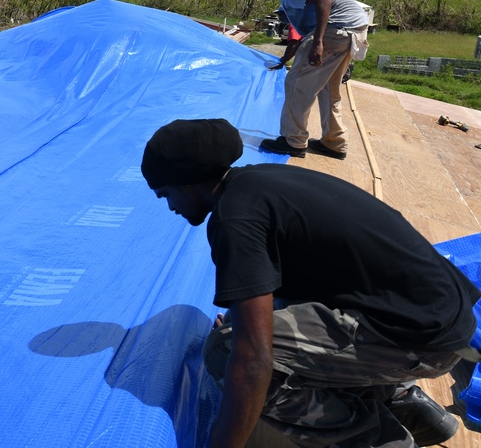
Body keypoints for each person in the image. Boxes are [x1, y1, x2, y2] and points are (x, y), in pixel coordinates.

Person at [140, 118, 481, 448]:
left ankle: (379, 439)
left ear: (188, 182)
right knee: (255, 325)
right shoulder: (263, 181)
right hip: (443, 315)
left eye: (166, 194)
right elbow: (278, 285)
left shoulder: (235, 220)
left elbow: (253, 359)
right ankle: (404, 403)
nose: (170, 206)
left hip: (423, 340)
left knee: (226, 353)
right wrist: (240, 323)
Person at [250, 0, 369, 160]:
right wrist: (284, 59)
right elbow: (299, 37)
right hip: (353, 30)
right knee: (328, 90)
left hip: (337, 28)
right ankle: (334, 142)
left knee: (297, 84)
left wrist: (318, 43)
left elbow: (325, 1)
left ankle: (292, 141)